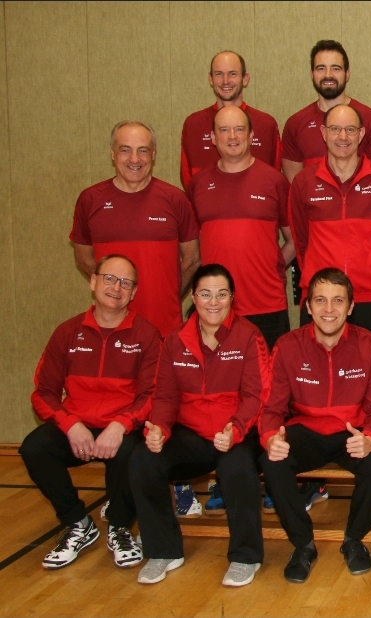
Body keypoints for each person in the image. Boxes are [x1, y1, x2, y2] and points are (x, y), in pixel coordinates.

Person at [129, 264, 270, 587]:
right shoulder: (174, 340)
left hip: (236, 432)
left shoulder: (249, 336)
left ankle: (245, 556)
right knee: (144, 459)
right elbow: (165, 396)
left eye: (222, 294)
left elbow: (257, 395)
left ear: (232, 298)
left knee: (237, 467)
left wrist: (235, 429)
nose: (213, 302)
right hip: (191, 434)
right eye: (206, 294)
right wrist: (159, 429)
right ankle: (163, 550)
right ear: (193, 297)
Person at [22, 255, 159, 570]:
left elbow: (152, 394)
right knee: (34, 448)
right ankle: (78, 524)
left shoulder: (146, 334)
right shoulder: (67, 332)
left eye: (125, 283)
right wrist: (70, 424)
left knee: (131, 452)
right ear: (93, 281)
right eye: (109, 278)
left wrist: (121, 425)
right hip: (77, 426)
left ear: (134, 293)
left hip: (122, 428)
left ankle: (120, 527)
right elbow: (43, 392)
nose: (116, 288)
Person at [259, 267, 371, 583]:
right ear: (307, 306)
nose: (328, 309)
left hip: (352, 431)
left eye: (337, 300)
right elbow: (270, 408)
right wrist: (270, 437)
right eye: (320, 300)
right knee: (271, 459)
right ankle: (303, 544)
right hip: (306, 429)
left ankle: (354, 539)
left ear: (351, 307)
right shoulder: (288, 346)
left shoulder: (370, 346)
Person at [70, 120, 201, 340]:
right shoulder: (90, 200)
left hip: (164, 329)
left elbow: (192, 260)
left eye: (143, 150)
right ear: (112, 153)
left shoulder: (175, 199)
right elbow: (84, 259)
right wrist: (113, 292)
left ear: (153, 154)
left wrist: (167, 295)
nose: (134, 159)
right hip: (110, 328)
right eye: (125, 150)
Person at [289, 103, 371, 349]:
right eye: (335, 129)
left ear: (361, 134)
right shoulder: (303, 182)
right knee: (315, 369)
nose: (343, 137)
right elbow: (300, 241)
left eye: (350, 129)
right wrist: (319, 284)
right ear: (323, 132)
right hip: (320, 301)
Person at [187, 105, 294, 349]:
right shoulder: (198, 184)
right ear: (213, 137)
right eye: (224, 130)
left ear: (251, 135)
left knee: (269, 373)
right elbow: (191, 249)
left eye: (239, 129)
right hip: (215, 308)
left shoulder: (274, 181)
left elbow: (295, 240)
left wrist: (272, 264)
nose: (232, 136)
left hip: (266, 305)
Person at [281, 40, 371, 181]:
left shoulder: (370, 120)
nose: (328, 75)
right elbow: (295, 186)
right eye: (321, 68)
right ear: (312, 74)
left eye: (336, 68)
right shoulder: (295, 124)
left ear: (347, 74)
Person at [180, 50, 281, 187]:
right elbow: (189, 184)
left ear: (245, 78)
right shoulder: (193, 125)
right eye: (218, 74)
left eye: (232, 74)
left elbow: (274, 180)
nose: (225, 81)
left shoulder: (266, 124)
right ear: (210, 79)